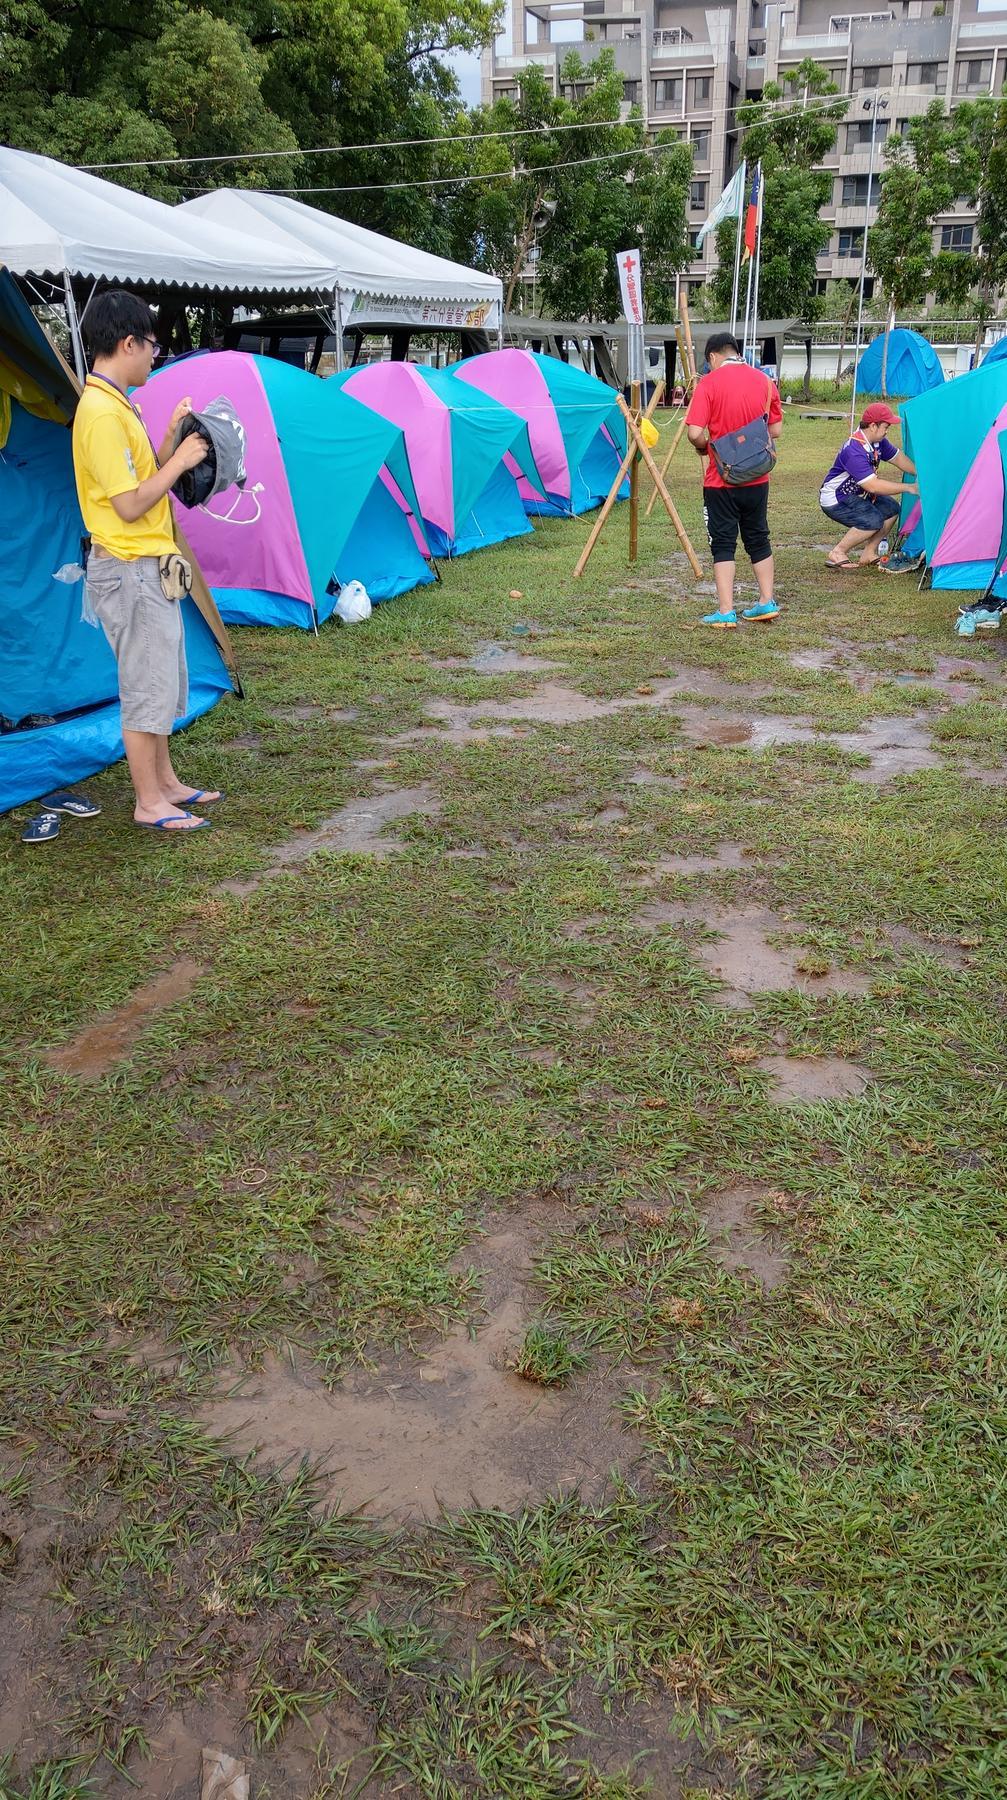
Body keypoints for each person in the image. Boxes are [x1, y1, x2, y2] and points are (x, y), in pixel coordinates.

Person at [71, 290, 221, 832]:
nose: (155, 356)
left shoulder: (117, 405)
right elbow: (131, 505)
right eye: (153, 345)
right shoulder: (100, 414)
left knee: (161, 677)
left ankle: (166, 784)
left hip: (147, 565)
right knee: (145, 683)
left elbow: (138, 481)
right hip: (128, 567)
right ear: (129, 343)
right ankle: (148, 802)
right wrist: (179, 461)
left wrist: (167, 444)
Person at [686, 331, 784, 629]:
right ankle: (766, 601)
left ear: (713, 356)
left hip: (721, 480)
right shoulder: (765, 381)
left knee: (723, 543)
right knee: (758, 537)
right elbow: (776, 430)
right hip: (757, 476)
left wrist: (706, 445)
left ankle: (726, 610)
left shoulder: (709, 384)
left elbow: (694, 432)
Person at [820, 403, 917, 571]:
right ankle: (838, 552)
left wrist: (920, 473)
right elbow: (872, 486)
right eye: (886, 426)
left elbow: (898, 458)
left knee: (892, 509)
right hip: (836, 499)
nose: (887, 431)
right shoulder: (854, 450)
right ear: (873, 426)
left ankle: (869, 553)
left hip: (857, 495)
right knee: (873, 520)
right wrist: (909, 487)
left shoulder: (878, 442)